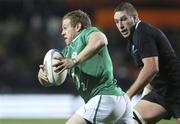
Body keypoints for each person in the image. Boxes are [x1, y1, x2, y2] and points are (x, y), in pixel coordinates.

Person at [38, 10, 133, 124]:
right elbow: (52, 80)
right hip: (119, 100)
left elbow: (101, 40)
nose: (62, 33)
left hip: (105, 97)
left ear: (78, 26)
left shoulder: (86, 33)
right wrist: (43, 76)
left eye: (65, 28)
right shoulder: (66, 53)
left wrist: (74, 61)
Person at [114, 2, 180, 124]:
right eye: (117, 22)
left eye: (123, 19)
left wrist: (128, 95)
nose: (120, 25)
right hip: (161, 92)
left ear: (135, 18)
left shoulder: (143, 33)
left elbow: (151, 68)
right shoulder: (132, 43)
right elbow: (150, 75)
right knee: (127, 121)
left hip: (176, 88)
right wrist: (144, 98)